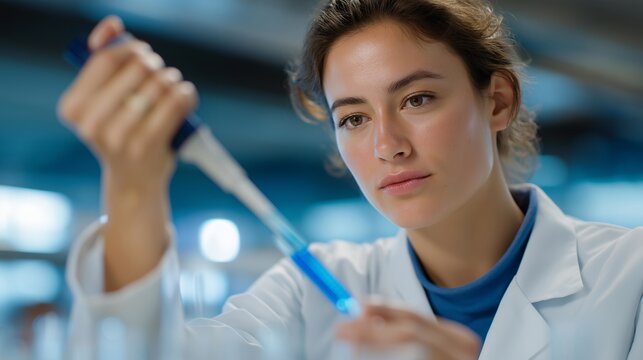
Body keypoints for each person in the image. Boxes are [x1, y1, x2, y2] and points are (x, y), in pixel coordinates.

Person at [58, 1, 643, 359]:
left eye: (417, 99)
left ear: (497, 101)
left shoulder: (629, 280)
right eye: (354, 118)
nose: (387, 145)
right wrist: (132, 182)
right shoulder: (315, 289)